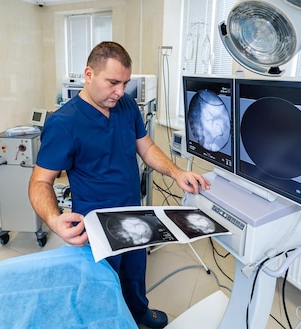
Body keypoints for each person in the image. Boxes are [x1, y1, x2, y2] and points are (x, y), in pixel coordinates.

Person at [28, 41, 210, 329]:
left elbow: (146, 147)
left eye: (125, 83)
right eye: (113, 82)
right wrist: (53, 219)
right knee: (102, 287)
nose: (121, 91)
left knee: (135, 273)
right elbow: (40, 181)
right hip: (95, 222)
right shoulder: (64, 123)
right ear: (89, 74)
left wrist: (176, 172)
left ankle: (138, 313)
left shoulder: (125, 106)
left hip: (134, 213)